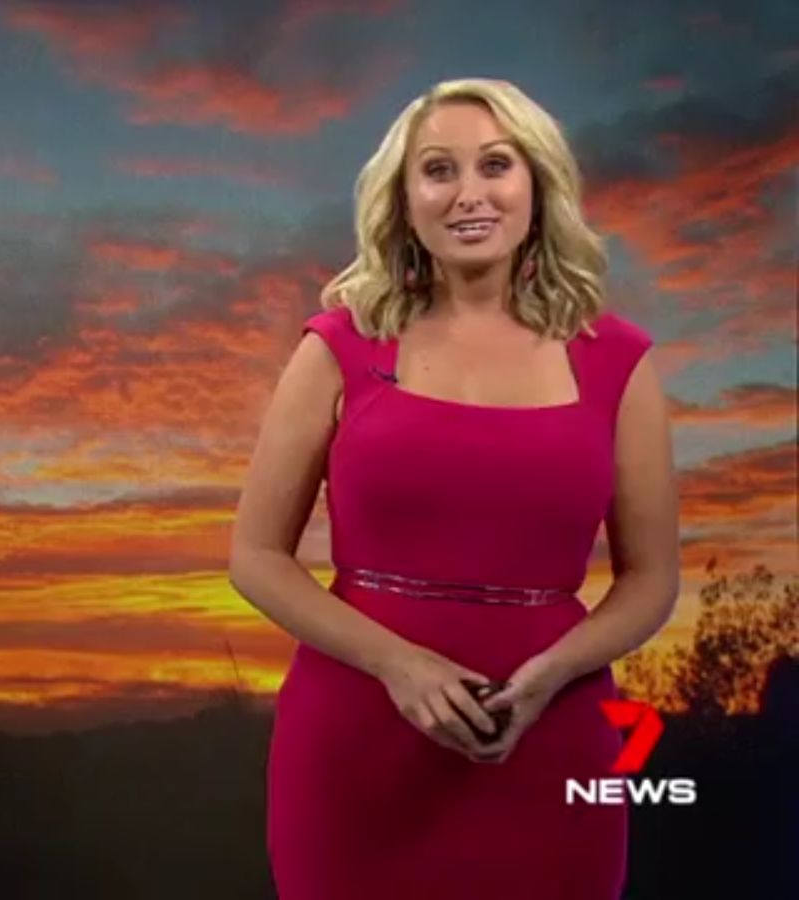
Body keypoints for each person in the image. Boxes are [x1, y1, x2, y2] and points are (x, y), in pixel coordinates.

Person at [228, 78, 680, 900]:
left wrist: (551, 676)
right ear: (405, 201)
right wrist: (398, 665)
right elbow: (256, 557)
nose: (469, 192)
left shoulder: (619, 360)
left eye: (495, 165)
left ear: (537, 184)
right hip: (355, 740)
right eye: (439, 170)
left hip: (554, 736)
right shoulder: (339, 346)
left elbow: (651, 579)